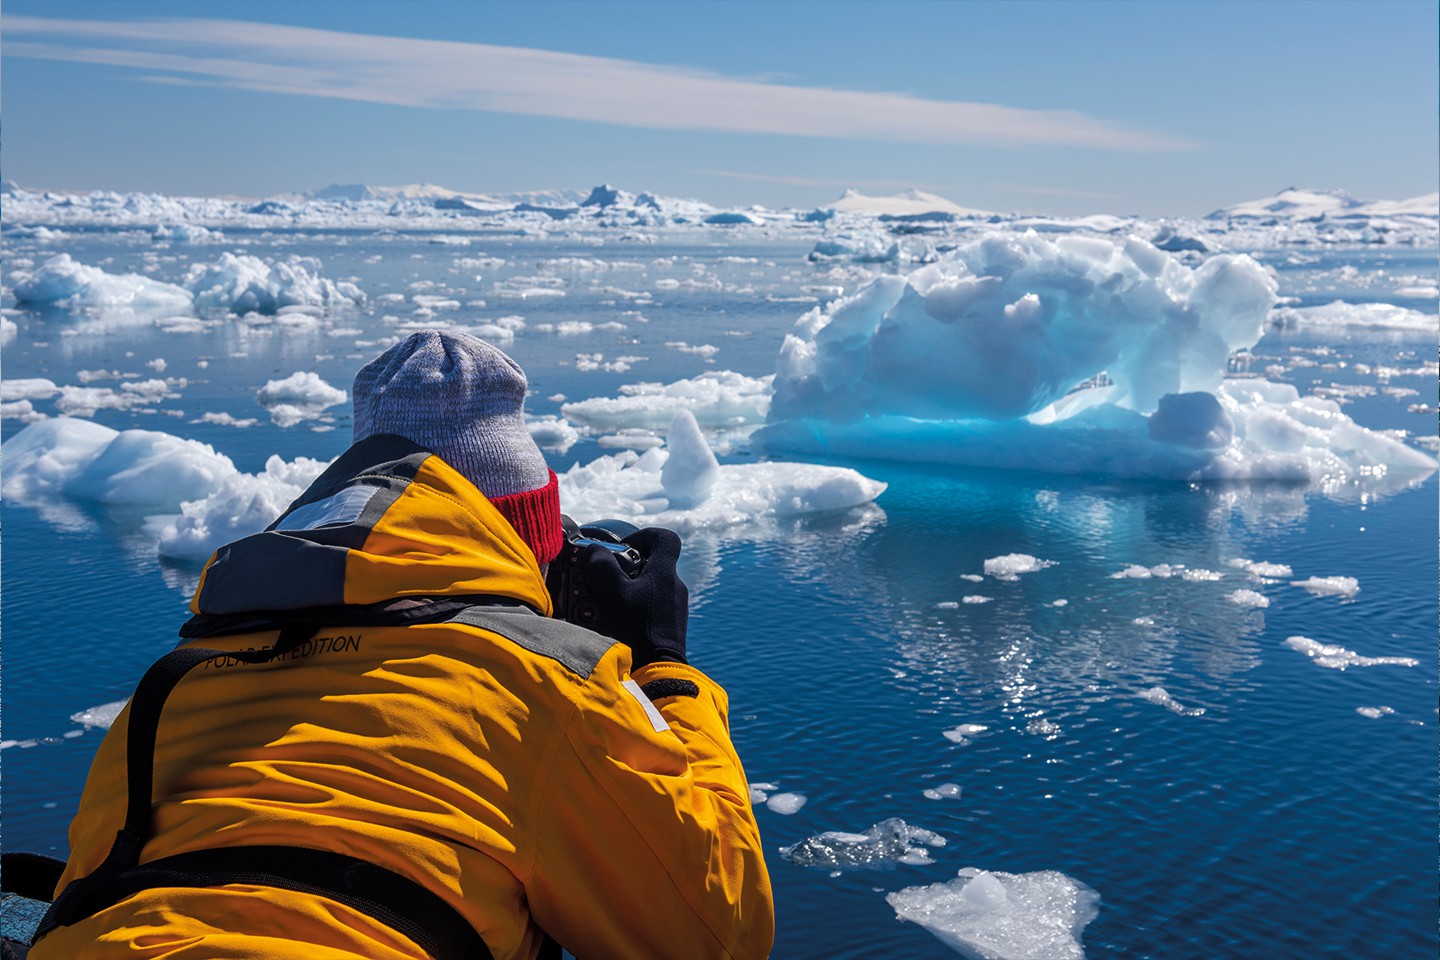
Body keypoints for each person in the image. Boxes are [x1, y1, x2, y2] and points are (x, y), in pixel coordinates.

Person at [30, 331, 774, 960]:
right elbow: (718, 931)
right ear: (527, 543)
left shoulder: (172, 688)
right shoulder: (543, 685)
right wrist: (665, 673)